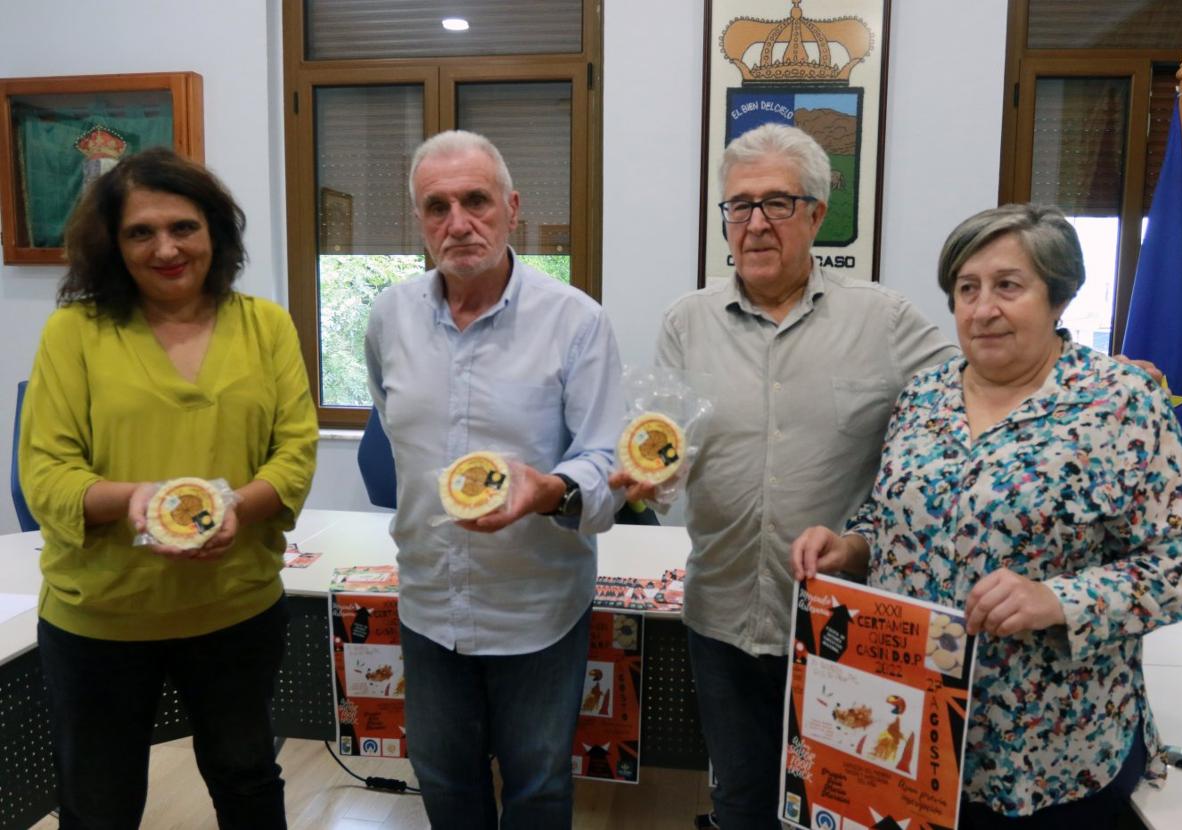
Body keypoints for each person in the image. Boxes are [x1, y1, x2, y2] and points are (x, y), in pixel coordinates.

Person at [791, 204, 1182, 827]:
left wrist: (1058, 599)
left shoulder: (1121, 401)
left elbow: (1180, 567)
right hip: (909, 730)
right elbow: (886, 518)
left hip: (1048, 751)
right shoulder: (922, 397)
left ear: (1059, 297)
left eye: (1008, 286)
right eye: (966, 289)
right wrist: (849, 547)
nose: (983, 308)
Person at [612, 122, 957, 828]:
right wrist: (646, 475)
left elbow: (976, 398)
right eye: (740, 206)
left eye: (777, 203)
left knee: (839, 802)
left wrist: (1071, 374)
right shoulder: (687, 321)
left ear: (816, 215)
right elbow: (664, 442)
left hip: (841, 620)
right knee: (739, 799)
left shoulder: (883, 320)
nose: (756, 223)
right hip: (723, 617)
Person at [20, 147, 318, 829]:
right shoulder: (75, 333)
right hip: (101, 619)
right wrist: (134, 503)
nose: (166, 248)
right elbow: (47, 472)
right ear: (112, 245)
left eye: (183, 226)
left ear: (215, 230)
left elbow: (294, 450)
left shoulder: (265, 326)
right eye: (140, 232)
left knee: (247, 778)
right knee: (99, 802)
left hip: (235, 609)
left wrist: (236, 509)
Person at [364, 130, 622, 829]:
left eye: (475, 200)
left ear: (511, 207)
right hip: (428, 601)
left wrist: (549, 491)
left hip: (536, 610)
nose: (458, 223)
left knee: (538, 787)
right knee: (444, 782)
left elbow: (606, 463)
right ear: (419, 222)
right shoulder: (389, 317)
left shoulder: (577, 322)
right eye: (436, 207)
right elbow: (397, 432)